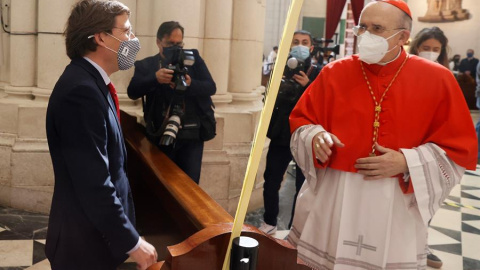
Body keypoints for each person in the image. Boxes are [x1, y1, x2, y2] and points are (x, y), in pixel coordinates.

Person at [287, 1, 477, 269]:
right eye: (362, 27)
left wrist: (406, 162)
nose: (366, 35)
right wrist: (314, 137)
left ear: (403, 37)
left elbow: (460, 149)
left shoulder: (438, 79)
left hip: (396, 197)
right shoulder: (334, 73)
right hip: (335, 194)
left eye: (377, 28)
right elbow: (302, 121)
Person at [45, 1, 157, 269]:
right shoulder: (80, 92)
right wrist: (131, 241)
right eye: (126, 31)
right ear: (100, 37)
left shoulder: (93, 82)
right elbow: (93, 181)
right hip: (82, 244)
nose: (133, 39)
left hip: (95, 236)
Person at [128, 21, 216, 184]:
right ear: (158, 42)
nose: (175, 48)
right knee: (162, 183)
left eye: (179, 44)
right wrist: (155, 78)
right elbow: (132, 92)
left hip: (191, 132)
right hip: (160, 132)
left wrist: (190, 84)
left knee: (190, 185)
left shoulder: (193, 58)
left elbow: (211, 87)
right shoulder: (147, 65)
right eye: (170, 44)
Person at [259, 30, 322, 235]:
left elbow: (325, 104)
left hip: (307, 135)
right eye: (295, 42)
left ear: (311, 48)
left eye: (304, 42)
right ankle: (269, 221)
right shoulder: (280, 70)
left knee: (303, 185)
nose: (300, 45)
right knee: (271, 180)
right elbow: (267, 99)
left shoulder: (320, 72)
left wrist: (308, 86)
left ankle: (297, 229)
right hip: (281, 134)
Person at [409, 26, 451, 269]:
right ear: (416, 47)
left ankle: (422, 245)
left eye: (436, 50)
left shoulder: (445, 75)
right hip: (406, 143)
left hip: (431, 146)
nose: (431, 53)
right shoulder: (404, 71)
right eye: (426, 48)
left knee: (428, 197)